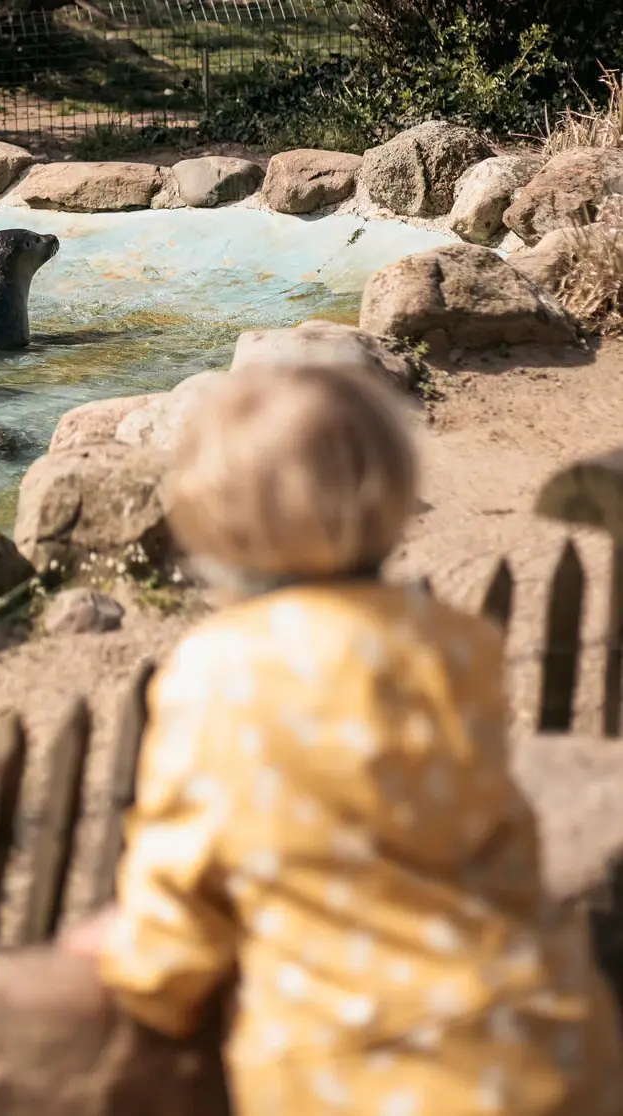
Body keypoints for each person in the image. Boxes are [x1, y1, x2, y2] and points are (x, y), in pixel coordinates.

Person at [63, 355, 623, 1114]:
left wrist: (140, 974)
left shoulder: (216, 671)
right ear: (391, 497)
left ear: (210, 521)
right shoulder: (456, 644)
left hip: (354, 1078)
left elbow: (182, 873)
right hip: (548, 1039)